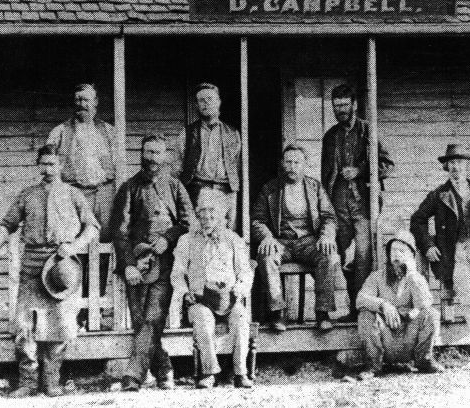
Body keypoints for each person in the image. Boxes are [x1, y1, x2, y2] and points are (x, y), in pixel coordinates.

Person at [0, 145, 99, 398]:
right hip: (32, 263)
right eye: (43, 164)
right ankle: (27, 381)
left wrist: (73, 247)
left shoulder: (74, 195)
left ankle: (51, 381)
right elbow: (7, 226)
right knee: (25, 326)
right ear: (38, 165)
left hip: (60, 266)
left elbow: (92, 228)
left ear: (61, 166)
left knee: (59, 325)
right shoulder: (27, 195)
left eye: (53, 164)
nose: (48, 169)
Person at [410, 144, 470, 369]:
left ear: (467, 166)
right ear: (446, 167)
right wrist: (427, 246)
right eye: (452, 164)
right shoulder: (439, 195)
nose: (456, 168)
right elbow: (417, 220)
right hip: (456, 254)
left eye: (460, 163)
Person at [112, 134, 195, 391]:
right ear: (142, 154)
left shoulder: (175, 186)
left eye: (157, 153)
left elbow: (188, 222)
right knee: (141, 321)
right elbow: (120, 230)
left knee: (152, 318)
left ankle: (133, 376)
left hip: (166, 266)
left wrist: (168, 239)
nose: (151, 158)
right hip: (137, 264)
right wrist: (128, 265)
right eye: (147, 152)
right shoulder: (129, 187)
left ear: (165, 156)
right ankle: (164, 370)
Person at [322, 84, 394, 319]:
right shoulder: (330, 136)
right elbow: (325, 176)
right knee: (337, 256)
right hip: (338, 205)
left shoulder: (368, 131)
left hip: (363, 205)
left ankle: (360, 310)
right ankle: (344, 308)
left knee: (364, 257)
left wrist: (360, 170)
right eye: (336, 106)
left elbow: (387, 165)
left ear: (354, 105)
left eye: (344, 105)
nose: (340, 110)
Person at [171, 188, 254, 389]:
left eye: (212, 212)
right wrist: (184, 292)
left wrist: (240, 288)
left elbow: (245, 271)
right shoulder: (186, 240)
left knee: (241, 319)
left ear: (221, 215)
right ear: (197, 215)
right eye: (202, 212)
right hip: (200, 300)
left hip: (229, 298)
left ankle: (240, 372)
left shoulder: (234, 239)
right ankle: (209, 372)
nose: (207, 217)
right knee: (203, 320)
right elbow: (177, 273)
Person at [252, 145, 340, 332]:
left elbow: (329, 217)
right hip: (281, 242)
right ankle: (278, 313)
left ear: (305, 165)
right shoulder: (270, 188)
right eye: (288, 162)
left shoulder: (315, 187)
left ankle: (322, 313)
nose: (292, 166)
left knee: (330, 256)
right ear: (282, 164)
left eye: (296, 162)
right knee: (266, 258)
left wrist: (326, 236)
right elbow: (257, 220)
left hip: (309, 242)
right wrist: (267, 237)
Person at [356, 230, 442, 380]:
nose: (396, 254)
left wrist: (411, 275)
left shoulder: (417, 278)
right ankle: (373, 366)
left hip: (410, 336)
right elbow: (361, 299)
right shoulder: (376, 277)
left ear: (411, 256)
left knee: (431, 314)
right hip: (386, 336)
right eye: (393, 251)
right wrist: (383, 305)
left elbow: (425, 303)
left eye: (401, 251)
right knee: (365, 314)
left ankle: (424, 361)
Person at [45, 83, 117, 240]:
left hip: (103, 194)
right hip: (74, 193)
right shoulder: (60, 132)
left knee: (104, 239)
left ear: (96, 101)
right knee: (75, 239)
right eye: (77, 100)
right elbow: (48, 165)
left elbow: (120, 165)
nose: (81, 105)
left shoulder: (109, 131)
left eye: (86, 100)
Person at [177, 83, 241, 230]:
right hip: (197, 188)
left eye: (210, 99)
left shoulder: (233, 133)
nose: (206, 103)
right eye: (201, 100)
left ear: (218, 102)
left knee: (226, 234)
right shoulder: (186, 134)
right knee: (196, 232)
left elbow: (236, 164)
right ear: (196, 105)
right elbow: (177, 167)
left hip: (225, 190)